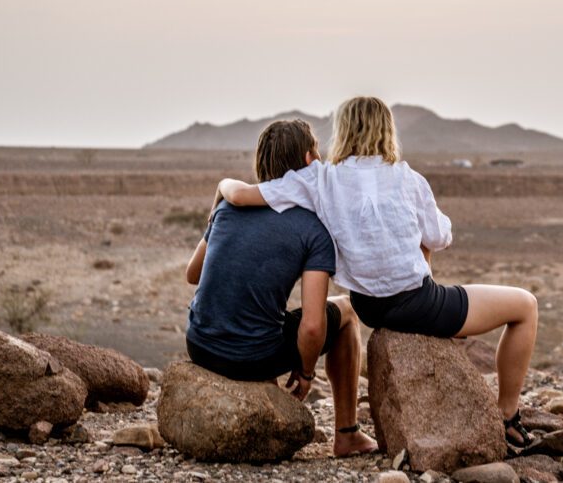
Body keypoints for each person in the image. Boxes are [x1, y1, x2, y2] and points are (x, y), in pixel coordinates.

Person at [214, 96, 539, 448]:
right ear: (387, 130)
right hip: (418, 304)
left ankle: (350, 430)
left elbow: (243, 194)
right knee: (525, 306)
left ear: (343, 131)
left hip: (368, 305)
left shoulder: (321, 179)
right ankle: (507, 414)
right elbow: (440, 236)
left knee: (388, 279)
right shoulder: (408, 178)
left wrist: (222, 187)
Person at [185, 119, 377, 457]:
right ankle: (347, 433)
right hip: (252, 357)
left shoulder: (229, 207)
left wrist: (219, 216)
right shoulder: (314, 229)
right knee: (345, 310)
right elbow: (314, 325)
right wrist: (304, 372)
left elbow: (193, 274)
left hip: (199, 345)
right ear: (308, 161)